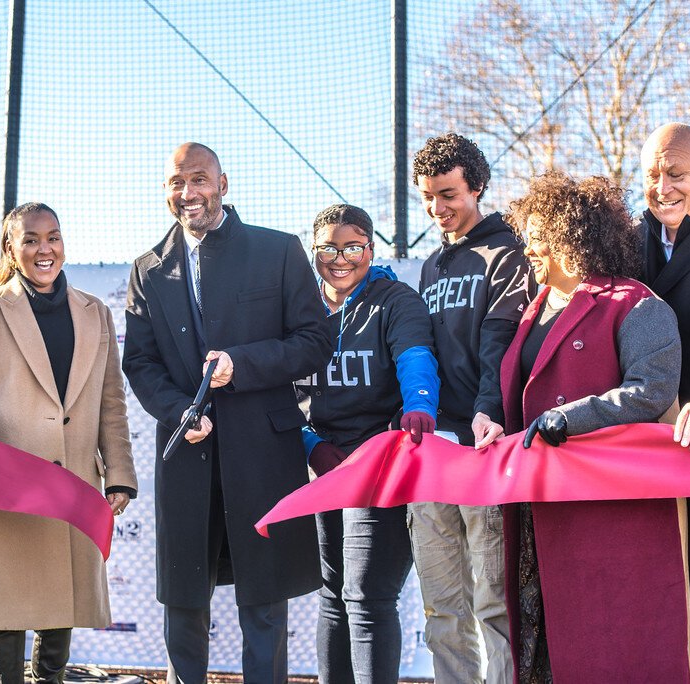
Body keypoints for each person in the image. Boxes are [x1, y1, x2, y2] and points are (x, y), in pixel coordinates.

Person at [122, 143, 332, 683]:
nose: (187, 192)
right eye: (176, 182)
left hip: (263, 455)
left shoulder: (278, 251)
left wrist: (242, 364)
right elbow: (140, 363)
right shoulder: (147, 269)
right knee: (185, 604)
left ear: (223, 183)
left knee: (263, 604)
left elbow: (314, 341)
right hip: (186, 456)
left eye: (199, 179)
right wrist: (179, 412)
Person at [478, 171, 687, 681]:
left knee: (607, 644)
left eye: (536, 234)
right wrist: (495, 424)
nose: (526, 247)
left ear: (568, 234)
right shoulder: (531, 309)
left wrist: (571, 418)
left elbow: (651, 389)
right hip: (535, 506)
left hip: (609, 514)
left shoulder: (634, 302)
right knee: (543, 644)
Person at [0, 202, 137, 684]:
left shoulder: (97, 314)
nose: (44, 249)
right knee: (5, 611)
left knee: (60, 605)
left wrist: (120, 474)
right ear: (12, 247)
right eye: (30, 239)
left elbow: (112, 402)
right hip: (7, 484)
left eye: (53, 237)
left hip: (73, 482)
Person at [295, 204, 439, 683]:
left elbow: (415, 356)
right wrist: (309, 443)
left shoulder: (395, 299)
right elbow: (280, 391)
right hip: (325, 467)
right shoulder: (300, 308)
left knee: (368, 595)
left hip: (379, 463)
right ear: (313, 253)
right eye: (328, 249)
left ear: (370, 249)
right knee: (334, 594)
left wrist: (420, 404)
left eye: (352, 247)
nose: (341, 258)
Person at [410, 132, 531, 684]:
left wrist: (489, 412)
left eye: (449, 194)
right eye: (429, 197)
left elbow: (500, 345)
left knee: (494, 603)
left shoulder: (509, 252)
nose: (439, 209)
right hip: (433, 453)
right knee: (442, 609)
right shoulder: (431, 266)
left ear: (476, 187)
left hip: (486, 448)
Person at [639, 122, 690, 682]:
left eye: (677, 173)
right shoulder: (627, 241)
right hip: (648, 457)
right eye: (652, 174)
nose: (662, 186)